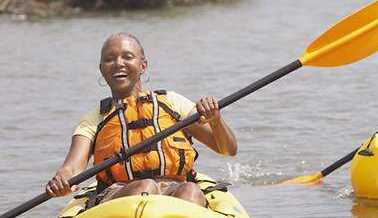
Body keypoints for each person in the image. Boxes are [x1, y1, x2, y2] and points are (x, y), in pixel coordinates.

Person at [45, 32, 237, 207]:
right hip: (117, 194)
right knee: (144, 187)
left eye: (127, 57)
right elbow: (72, 168)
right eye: (110, 59)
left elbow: (228, 150)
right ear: (102, 69)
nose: (119, 63)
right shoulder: (94, 119)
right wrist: (62, 180)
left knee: (190, 191)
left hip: (173, 189)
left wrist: (216, 120)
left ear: (142, 66)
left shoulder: (172, 103)